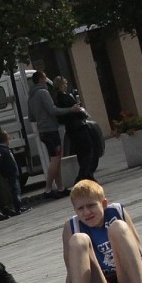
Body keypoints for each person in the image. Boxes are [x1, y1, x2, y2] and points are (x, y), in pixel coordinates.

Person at [27, 69, 85, 199]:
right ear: (41, 79)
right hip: (50, 129)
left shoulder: (31, 96)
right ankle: (48, 189)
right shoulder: (43, 92)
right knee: (55, 159)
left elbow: (31, 117)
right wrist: (71, 109)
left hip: (42, 130)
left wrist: (41, 117)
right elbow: (52, 110)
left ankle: (60, 187)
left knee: (56, 159)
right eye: (45, 77)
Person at [52, 75, 94, 184]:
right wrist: (79, 112)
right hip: (78, 126)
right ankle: (82, 175)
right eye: (65, 83)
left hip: (70, 129)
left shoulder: (56, 99)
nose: (66, 85)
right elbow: (75, 111)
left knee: (80, 152)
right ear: (61, 85)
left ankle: (89, 176)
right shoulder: (66, 97)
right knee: (88, 150)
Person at [0, 130, 30, 213]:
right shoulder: (4, 150)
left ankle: (19, 206)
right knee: (16, 190)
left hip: (10, 174)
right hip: (11, 174)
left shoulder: (1, 149)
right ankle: (18, 207)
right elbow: (8, 163)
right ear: (6, 140)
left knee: (16, 189)